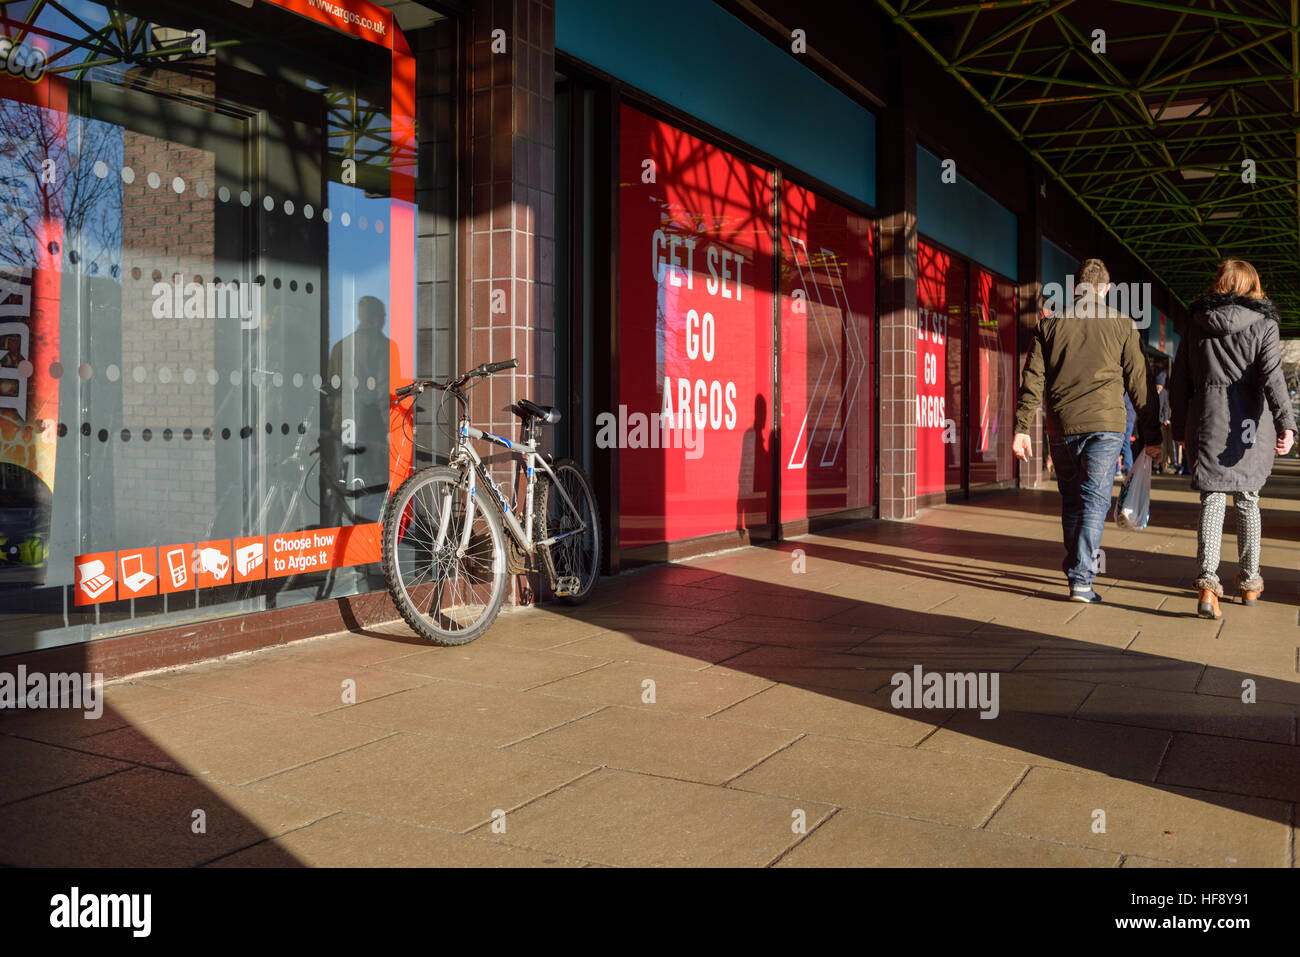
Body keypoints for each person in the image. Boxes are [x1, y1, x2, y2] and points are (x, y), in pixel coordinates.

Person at [1014, 258, 1161, 602]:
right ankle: (1081, 579)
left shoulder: (1049, 325)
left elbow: (1032, 379)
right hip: (1106, 427)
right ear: (1107, 290)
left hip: (1061, 425)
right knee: (1094, 501)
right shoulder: (1124, 324)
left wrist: (1022, 426)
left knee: (1071, 499)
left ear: (1075, 288)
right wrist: (1152, 437)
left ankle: (1076, 569)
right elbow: (1140, 384)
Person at [1168, 258, 1296, 619]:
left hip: (1208, 421)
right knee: (1248, 500)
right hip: (1250, 426)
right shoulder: (1264, 324)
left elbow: (1180, 382)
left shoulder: (1195, 324)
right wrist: (1286, 423)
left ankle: (1208, 586)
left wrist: (1179, 429)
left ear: (1219, 284)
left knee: (1211, 499)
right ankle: (1250, 583)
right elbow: (1272, 377)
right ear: (1253, 287)